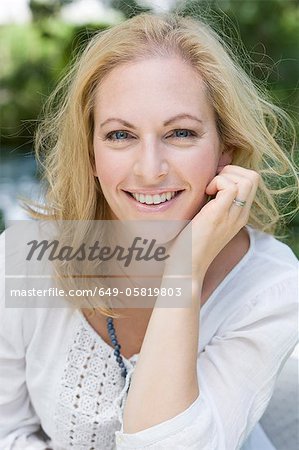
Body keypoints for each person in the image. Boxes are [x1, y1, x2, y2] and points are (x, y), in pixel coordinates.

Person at [0, 11, 298, 450]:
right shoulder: (25, 259)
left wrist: (185, 268)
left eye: (180, 133)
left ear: (225, 148)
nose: (150, 169)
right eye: (121, 136)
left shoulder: (271, 287)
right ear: (91, 154)